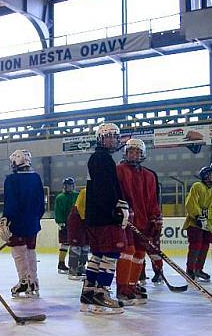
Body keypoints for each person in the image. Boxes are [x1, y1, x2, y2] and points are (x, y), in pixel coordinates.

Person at [80, 123, 128, 314]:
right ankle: (102, 293)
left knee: (98, 254)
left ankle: (89, 291)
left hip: (95, 216)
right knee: (111, 254)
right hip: (104, 217)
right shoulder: (103, 159)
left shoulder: (98, 158)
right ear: (101, 139)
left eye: (114, 136)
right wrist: (115, 209)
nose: (113, 140)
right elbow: (104, 190)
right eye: (109, 136)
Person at [115, 139, 161, 305]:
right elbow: (115, 193)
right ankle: (122, 288)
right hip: (126, 219)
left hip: (144, 221)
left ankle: (132, 286)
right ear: (125, 153)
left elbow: (153, 200)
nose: (134, 154)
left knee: (140, 253)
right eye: (131, 151)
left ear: (143, 154)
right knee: (128, 250)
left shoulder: (149, 175)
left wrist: (156, 217)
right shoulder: (119, 170)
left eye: (137, 152)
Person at [0, 149, 45, 298]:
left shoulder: (12, 179)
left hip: (18, 223)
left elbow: (11, 203)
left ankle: (24, 281)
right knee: (31, 251)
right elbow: (41, 204)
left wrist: (6, 218)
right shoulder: (37, 178)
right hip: (33, 223)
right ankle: (34, 282)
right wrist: (35, 218)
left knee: (19, 253)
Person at [183, 166, 212, 282]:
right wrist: (197, 216)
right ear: (204, 176)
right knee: (195, 246)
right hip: (195, 223)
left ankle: (199, 269)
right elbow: (191, 203)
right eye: (210, 175)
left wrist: (206, 214)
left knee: (204, 247)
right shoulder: (197, 186)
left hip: (209, 225)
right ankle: (190, 270)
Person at [54, 177, 78, 274]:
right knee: (65, 243)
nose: (69, 187)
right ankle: (61, 263)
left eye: (71, 185)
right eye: (67, 186)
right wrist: (60, 222)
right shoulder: (60, 197)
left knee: (77, 244)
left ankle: (78, 264)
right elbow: (58, 211)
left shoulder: (77, 195)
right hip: (65, 224)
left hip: (76, 224)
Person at [66, 187, 90, 280]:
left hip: (86, 221)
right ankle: (73, 268)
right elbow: (80, 207)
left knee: (85, 246)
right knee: (76, 246)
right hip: (77, 221)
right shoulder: (85, 191)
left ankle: (81, 266)